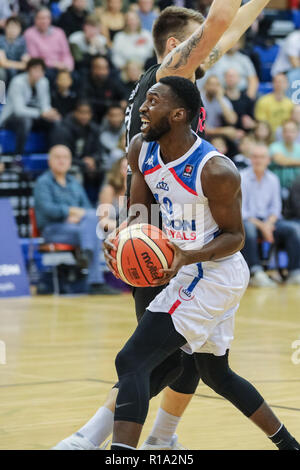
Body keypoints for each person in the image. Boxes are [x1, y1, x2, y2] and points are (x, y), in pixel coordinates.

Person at [53, 0, 276, 451]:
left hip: (162, 226)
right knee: (151, 360)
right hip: (161, 234)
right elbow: (218, 23)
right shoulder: (169, 74)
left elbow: (228, 30)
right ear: (178, 46)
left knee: (181, 359)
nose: (215, 50)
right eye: (203, 45)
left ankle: (162, 439)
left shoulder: (173, 87)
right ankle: (90, 439)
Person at [107, 76, 300, 450]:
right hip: (187, 267)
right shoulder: (140, 149)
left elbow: (236, 237)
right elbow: (140, 213)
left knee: (131, 360)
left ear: (178, 114)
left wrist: (187, 256)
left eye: (153, 101)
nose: (143, 109)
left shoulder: (215, 169)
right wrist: (120, 240)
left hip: (213, 271)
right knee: (216, 373)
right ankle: (289, 445)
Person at [34, 145, 121, 296]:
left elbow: (86, 208)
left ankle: (88, 252)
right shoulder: (43, 182)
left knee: (91, 217)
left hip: (79, 228)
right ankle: (95, 281)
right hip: (53, 229)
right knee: (92, 230)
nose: (62, 161)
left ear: (70, 161)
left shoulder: (74, 182)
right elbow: (47, 209)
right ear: (50, 161)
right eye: (58, 157)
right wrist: (69, 212)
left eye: (65, 157)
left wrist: (79, 216)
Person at [241, 144, 300, 287]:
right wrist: (263, 226)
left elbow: (276, 208)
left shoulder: (273, 179)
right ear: (250, 159)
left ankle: (294, 271)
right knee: (249, 228)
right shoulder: (241, 177)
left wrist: (268, 224)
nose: (258, 160)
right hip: (248, 221)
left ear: (268, 160)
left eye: (262, 157)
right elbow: (241, 211)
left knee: (293, 229)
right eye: (255, 157)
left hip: (269, 221)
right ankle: (256, 271)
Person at [0, 58, 60, 155]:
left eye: (41, 70)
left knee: (55, 121)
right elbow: (19, 110)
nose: (38, 73)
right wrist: (41, 113)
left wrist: (50, 113)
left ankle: (53, 154)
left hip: (34, 117)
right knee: (25, 121)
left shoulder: (44, 82)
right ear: (28, 70)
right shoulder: (17, 82)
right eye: (35, 69)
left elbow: (45, 105)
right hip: (11, 118)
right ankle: (18, 156)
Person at [50, 100, 104, 203]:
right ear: (75, 112)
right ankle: (77, 204)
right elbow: (61, 156)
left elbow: (99, 151)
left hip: (86, 165)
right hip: (71, 164)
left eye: (87, 113)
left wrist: (93, 160)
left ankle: (100, 204)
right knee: (76, 172)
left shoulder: (94, 129)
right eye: (81, 112)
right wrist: (83, 163)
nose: (85, 116)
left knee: (105, 170)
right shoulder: (63, 129)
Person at [24, 7, 74, 77]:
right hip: (44, 67)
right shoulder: (29, 34)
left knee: (75, 75)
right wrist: (55, 64)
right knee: (51, 74)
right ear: (35, 19)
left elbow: (66, 53)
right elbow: (35, 57)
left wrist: (68, 66)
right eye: (41, 18)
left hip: (62, 66)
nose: (44, 21)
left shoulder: (59, 32)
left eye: (47, 18)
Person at [80, 55, 127, 124]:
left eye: (105, 68)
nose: (102, 72)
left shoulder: (112, 80)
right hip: (92, 117)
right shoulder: (85, 80)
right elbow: (85, 100)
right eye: (99, 68)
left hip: (111, 117)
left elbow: (124, 94)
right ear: (92, 68)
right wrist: (111, 104)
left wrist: (124, 101)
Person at [201, 75, 238, 140]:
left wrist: (220, 99)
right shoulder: (200, 99)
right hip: (201, 135)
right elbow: (201, 128)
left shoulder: (222, 100)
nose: (213, 87)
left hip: (217, 137)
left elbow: (232, 120)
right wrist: (223, 131)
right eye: (211, 84)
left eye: (217, 85)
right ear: (205, 86)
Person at [98, 156, 127, 234]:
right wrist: (126, 226)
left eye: (131, 169)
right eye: (125, 168)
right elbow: (103, 223)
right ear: (119, 171)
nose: (128, 172)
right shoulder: (109, 190)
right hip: (109, 235)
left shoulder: (139, 192)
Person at [269, 120, 300, 191]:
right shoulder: (274, 146)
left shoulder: (299, 148)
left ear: (297, 133)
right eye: (286, 131)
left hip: (297, 188)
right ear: (282, 133)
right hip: (278, 187)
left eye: (292, 131)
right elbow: (281, 161)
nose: (289, 134)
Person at [224, 68, 256, 133]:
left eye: (233, 76)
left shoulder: (247, 99)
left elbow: (253, 121)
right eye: (229, 76)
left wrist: (251, 123)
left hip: (245, 135)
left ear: (239, 79)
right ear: (225, 79)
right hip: (226, 134)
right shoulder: (221, 98)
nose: (231, 79)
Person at [0, 16, 29, 84]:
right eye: (10, 27)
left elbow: (26, 61)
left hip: (17, 70)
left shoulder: (22, 41)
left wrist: (24, 64)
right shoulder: (0, 40)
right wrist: (21, 65)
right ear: (5, 27)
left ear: (20, 29)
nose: (13, 30)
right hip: (4, 70)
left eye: (16, 27)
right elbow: (2, 63)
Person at [99, 104, 126, 172]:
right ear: (107, 117)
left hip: (126, 166)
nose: (116, 119)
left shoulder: (128, 129)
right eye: (113, 116)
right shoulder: (104, 135)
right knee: (116, 153)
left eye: (118, 115)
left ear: (123, 116)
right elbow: (119, 150)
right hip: (109, 169)